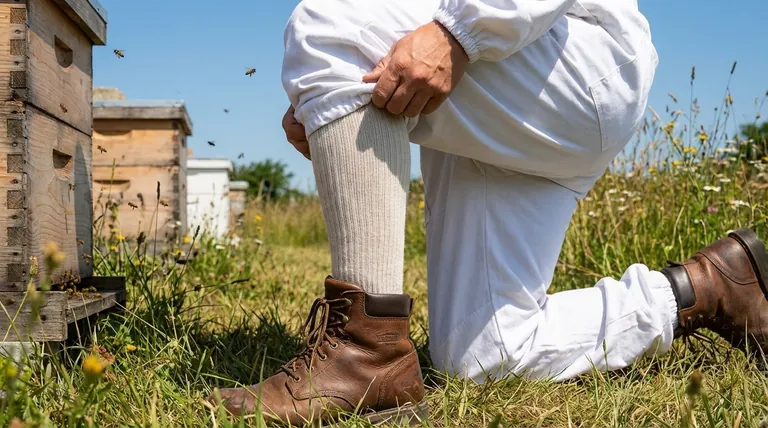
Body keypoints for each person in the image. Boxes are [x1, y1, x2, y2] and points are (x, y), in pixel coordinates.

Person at [211, 0, 768, 425]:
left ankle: (365, 353)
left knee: (330, 25)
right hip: (520, 71)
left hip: (570, 52)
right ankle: (707, 288)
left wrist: (464, 28)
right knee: (487, 351)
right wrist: (324, 99)